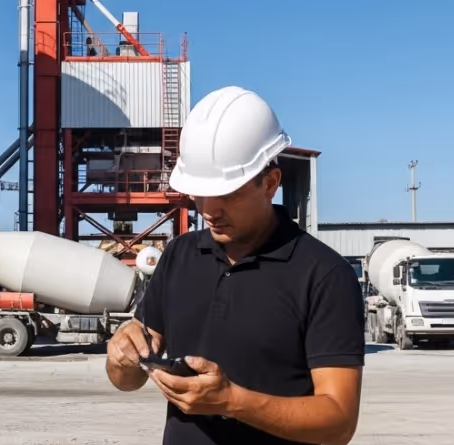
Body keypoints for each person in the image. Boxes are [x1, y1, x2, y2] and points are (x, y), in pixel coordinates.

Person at [104, 86, 367, 444]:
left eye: (227, 194)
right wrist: (121, 358)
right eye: (199, 194)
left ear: (270, 183)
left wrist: (232, 401)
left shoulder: (324, 276)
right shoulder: (179, 256)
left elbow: (338, 422)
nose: (209, 210)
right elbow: (128, 380)